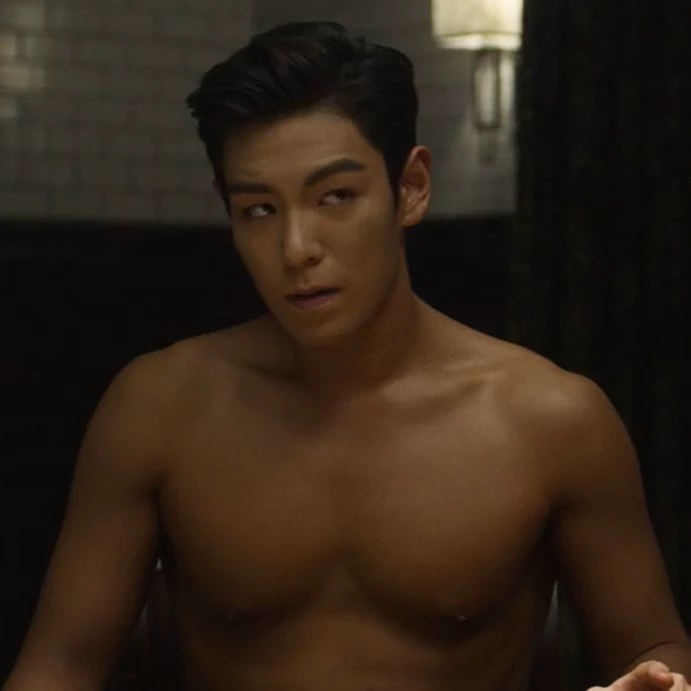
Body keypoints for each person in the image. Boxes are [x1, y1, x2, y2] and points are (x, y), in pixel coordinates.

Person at [4, 21, 690, 691]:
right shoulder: (161, 407)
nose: (296, 248)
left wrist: (655, 681)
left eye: (335, 196)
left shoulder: (550, 419)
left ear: (410, 187)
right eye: (259, 209)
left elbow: (654, 647)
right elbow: (59, 665)